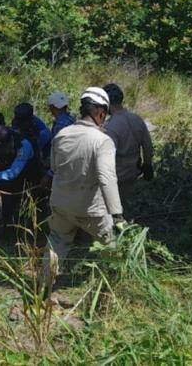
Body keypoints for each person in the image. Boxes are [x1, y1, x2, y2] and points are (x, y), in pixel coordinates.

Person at [43, 87, 123, 284]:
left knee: (57, 242)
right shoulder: (102, 141)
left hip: (61, 203)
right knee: (110, 245)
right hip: (91, 209)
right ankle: (110, 286)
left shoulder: (62, 135)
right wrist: (117, 214)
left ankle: (43, 285)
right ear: (101, 113)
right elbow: (107, 178)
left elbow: (53, 167)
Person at [0, 121, 44, 238]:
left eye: (2, 146)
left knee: (17, 209)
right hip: (3, 172)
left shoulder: (23, 146)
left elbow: (13, 173)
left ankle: (21, 233)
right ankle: (1, 225)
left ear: (10, 141)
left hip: (26, 177)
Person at [102, 83, 153, 207]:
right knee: (124, 204)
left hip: (116, 175)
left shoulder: (111, 126)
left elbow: (106, 157)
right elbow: (148, 146)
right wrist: (147, 164)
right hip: (133, 173)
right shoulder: (137, 119)